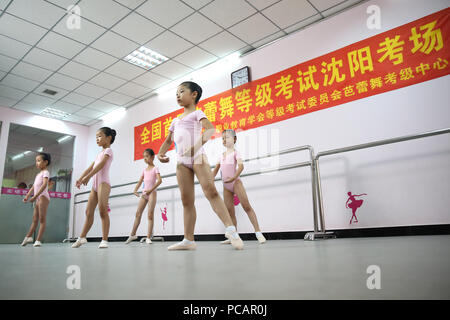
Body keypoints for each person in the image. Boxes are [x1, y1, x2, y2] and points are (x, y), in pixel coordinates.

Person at [157, 81, 244, 250]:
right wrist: (161, 154)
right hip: (181, 162)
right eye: (176, 93)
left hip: (197, 157)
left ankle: (231, 231)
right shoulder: (175, 120)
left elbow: (210, 130)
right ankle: (188, 240)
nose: (178, 95)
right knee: (186, 200)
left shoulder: (197, 113)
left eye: (181, 91)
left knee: (210, 191)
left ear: (194, 94)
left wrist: (194, 148)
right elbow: (168, 140)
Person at [212, 129, 266, 244]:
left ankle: (258, 232)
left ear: (234, 139)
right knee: (230, 212)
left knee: (246, 206)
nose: (224, 140)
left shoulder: (236, 153)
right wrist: (208, 181)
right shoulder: (221, 156)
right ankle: (234, 236)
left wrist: (233, 177)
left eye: (227, 137)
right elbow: (215, 171)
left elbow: (241, 167)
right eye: (222, 138)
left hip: (236, 183)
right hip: (226, 186)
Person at [72, 127, 116, 249]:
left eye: (100, 136)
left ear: (108, 138)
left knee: (102, 211)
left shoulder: (108, 151)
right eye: (96, 136)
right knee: (88, 212)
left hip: (103, 184)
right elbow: (90, 168)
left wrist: (88, 177)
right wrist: (81, 178)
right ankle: (82, 237)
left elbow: (101, 166)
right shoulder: (99, 154)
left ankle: (104, 240)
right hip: (95, 186)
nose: (97, 138)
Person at [125, 148, 162, 244]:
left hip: (152, 193)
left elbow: (159, 181)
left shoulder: (155, 168)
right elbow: (140, 181)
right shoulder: (144, 170)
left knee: (150, 215)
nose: (145, 158)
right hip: (144, 193)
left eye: (147, 156)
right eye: (144, 157)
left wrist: (151, 190)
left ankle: (148, 237)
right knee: (138, 213)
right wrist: (135, 190)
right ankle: (132, 235)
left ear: (153, 157)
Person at [21, 153, 51, 247]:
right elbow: (34, 186)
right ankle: (28, 237)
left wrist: (35, 196)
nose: (36, 163)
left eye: (39, 161)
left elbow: (44, 185)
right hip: (38, 198)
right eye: (36, 161)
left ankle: (38, 240)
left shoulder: (46, 172)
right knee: (34, 219)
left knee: (42, 219)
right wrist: (28, 195)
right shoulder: (38, 174)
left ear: (45, 162)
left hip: (43, 197)